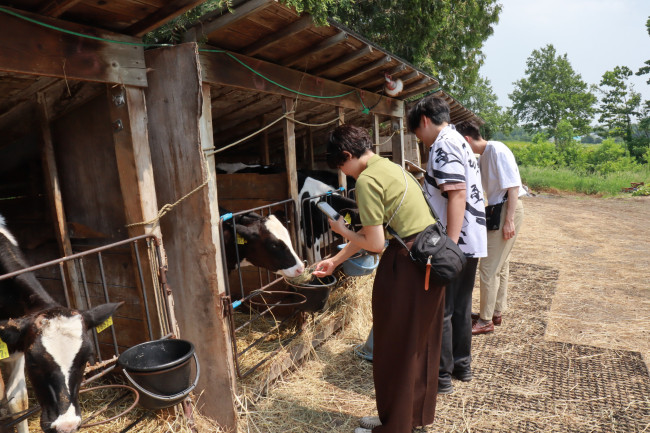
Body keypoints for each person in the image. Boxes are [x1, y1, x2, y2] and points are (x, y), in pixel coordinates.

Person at [313, 124, 445, 433]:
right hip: (429, 260)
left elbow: (374, 244)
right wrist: (335, 260)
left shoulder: (367, 181)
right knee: (417, 345)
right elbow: (374, 233)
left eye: (341, 165)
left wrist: (341, 231)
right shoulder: (390, 168)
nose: (344, 172)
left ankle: (394, 426)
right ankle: (407, 418)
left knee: (394, 346)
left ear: (347, 155)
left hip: (407, 266)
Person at [407, 96, 487, 395]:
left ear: (425, 120)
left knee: (443, 309)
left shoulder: (442, 144)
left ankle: (441, 377)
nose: (420, 140)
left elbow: (455, 193)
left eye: (417, 133)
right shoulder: (459, 140)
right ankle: (462, 367)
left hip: (457, 240)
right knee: (461, 306)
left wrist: (449, 247)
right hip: (472, 238)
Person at [455, 120, 525, 335]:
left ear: (467, 139)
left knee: (488, 267)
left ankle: (485, 321)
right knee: (500, 265)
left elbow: (513, 186)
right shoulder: (485, 155)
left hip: (506, 208)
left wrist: (509, 220)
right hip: (498, 208)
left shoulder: (498, 150)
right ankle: (495, 312)